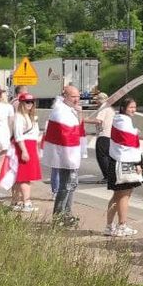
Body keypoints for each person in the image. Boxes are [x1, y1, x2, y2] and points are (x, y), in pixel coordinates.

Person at [104, 97, 143, 236]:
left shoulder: (119, 120)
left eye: (135, 107)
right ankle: (122, 225)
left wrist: (134, 131)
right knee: (124, 196)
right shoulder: (123, 122)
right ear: (123, 108)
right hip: (125, 162)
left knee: (117, 195)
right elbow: (130, 145)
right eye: (131, 107)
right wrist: (138, 164)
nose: (134, 109)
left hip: (118, 161)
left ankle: (109, 226)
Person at [43, 84, 84, 223]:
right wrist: (70, 157)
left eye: (78, 96)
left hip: (69, 153)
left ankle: (67, 213)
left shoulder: (69, 109)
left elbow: (77, 128)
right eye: (73, 96)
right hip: (64, 154)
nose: (77, 99)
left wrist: (79, 112)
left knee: (71, 184)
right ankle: (59, 216)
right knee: (66, 184)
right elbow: (66, 134)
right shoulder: (60, 111)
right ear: (65, 96)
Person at [9, 92, 42, 212]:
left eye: (32, 102)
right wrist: (24, 151)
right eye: (27, 102)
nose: (30, 104)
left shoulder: (30, 116)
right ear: (22, 103)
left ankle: (15, 201)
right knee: (25, 177)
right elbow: (18, 136)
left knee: (22, 176)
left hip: (31, 146)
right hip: (25, 146)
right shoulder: (19, 116)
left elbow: (35, 135)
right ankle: (26, 202)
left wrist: (36, 150)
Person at [91, 91, 115, 180]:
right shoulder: (110, 109)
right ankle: (111, 176)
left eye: (97, 100)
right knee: (108, 156)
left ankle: (107, 176)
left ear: (100, 100)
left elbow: (98, 121)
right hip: (110, 136)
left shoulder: (103, 108)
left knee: (101, 156)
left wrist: (83, 120)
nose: (96, 102)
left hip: (103, 135)